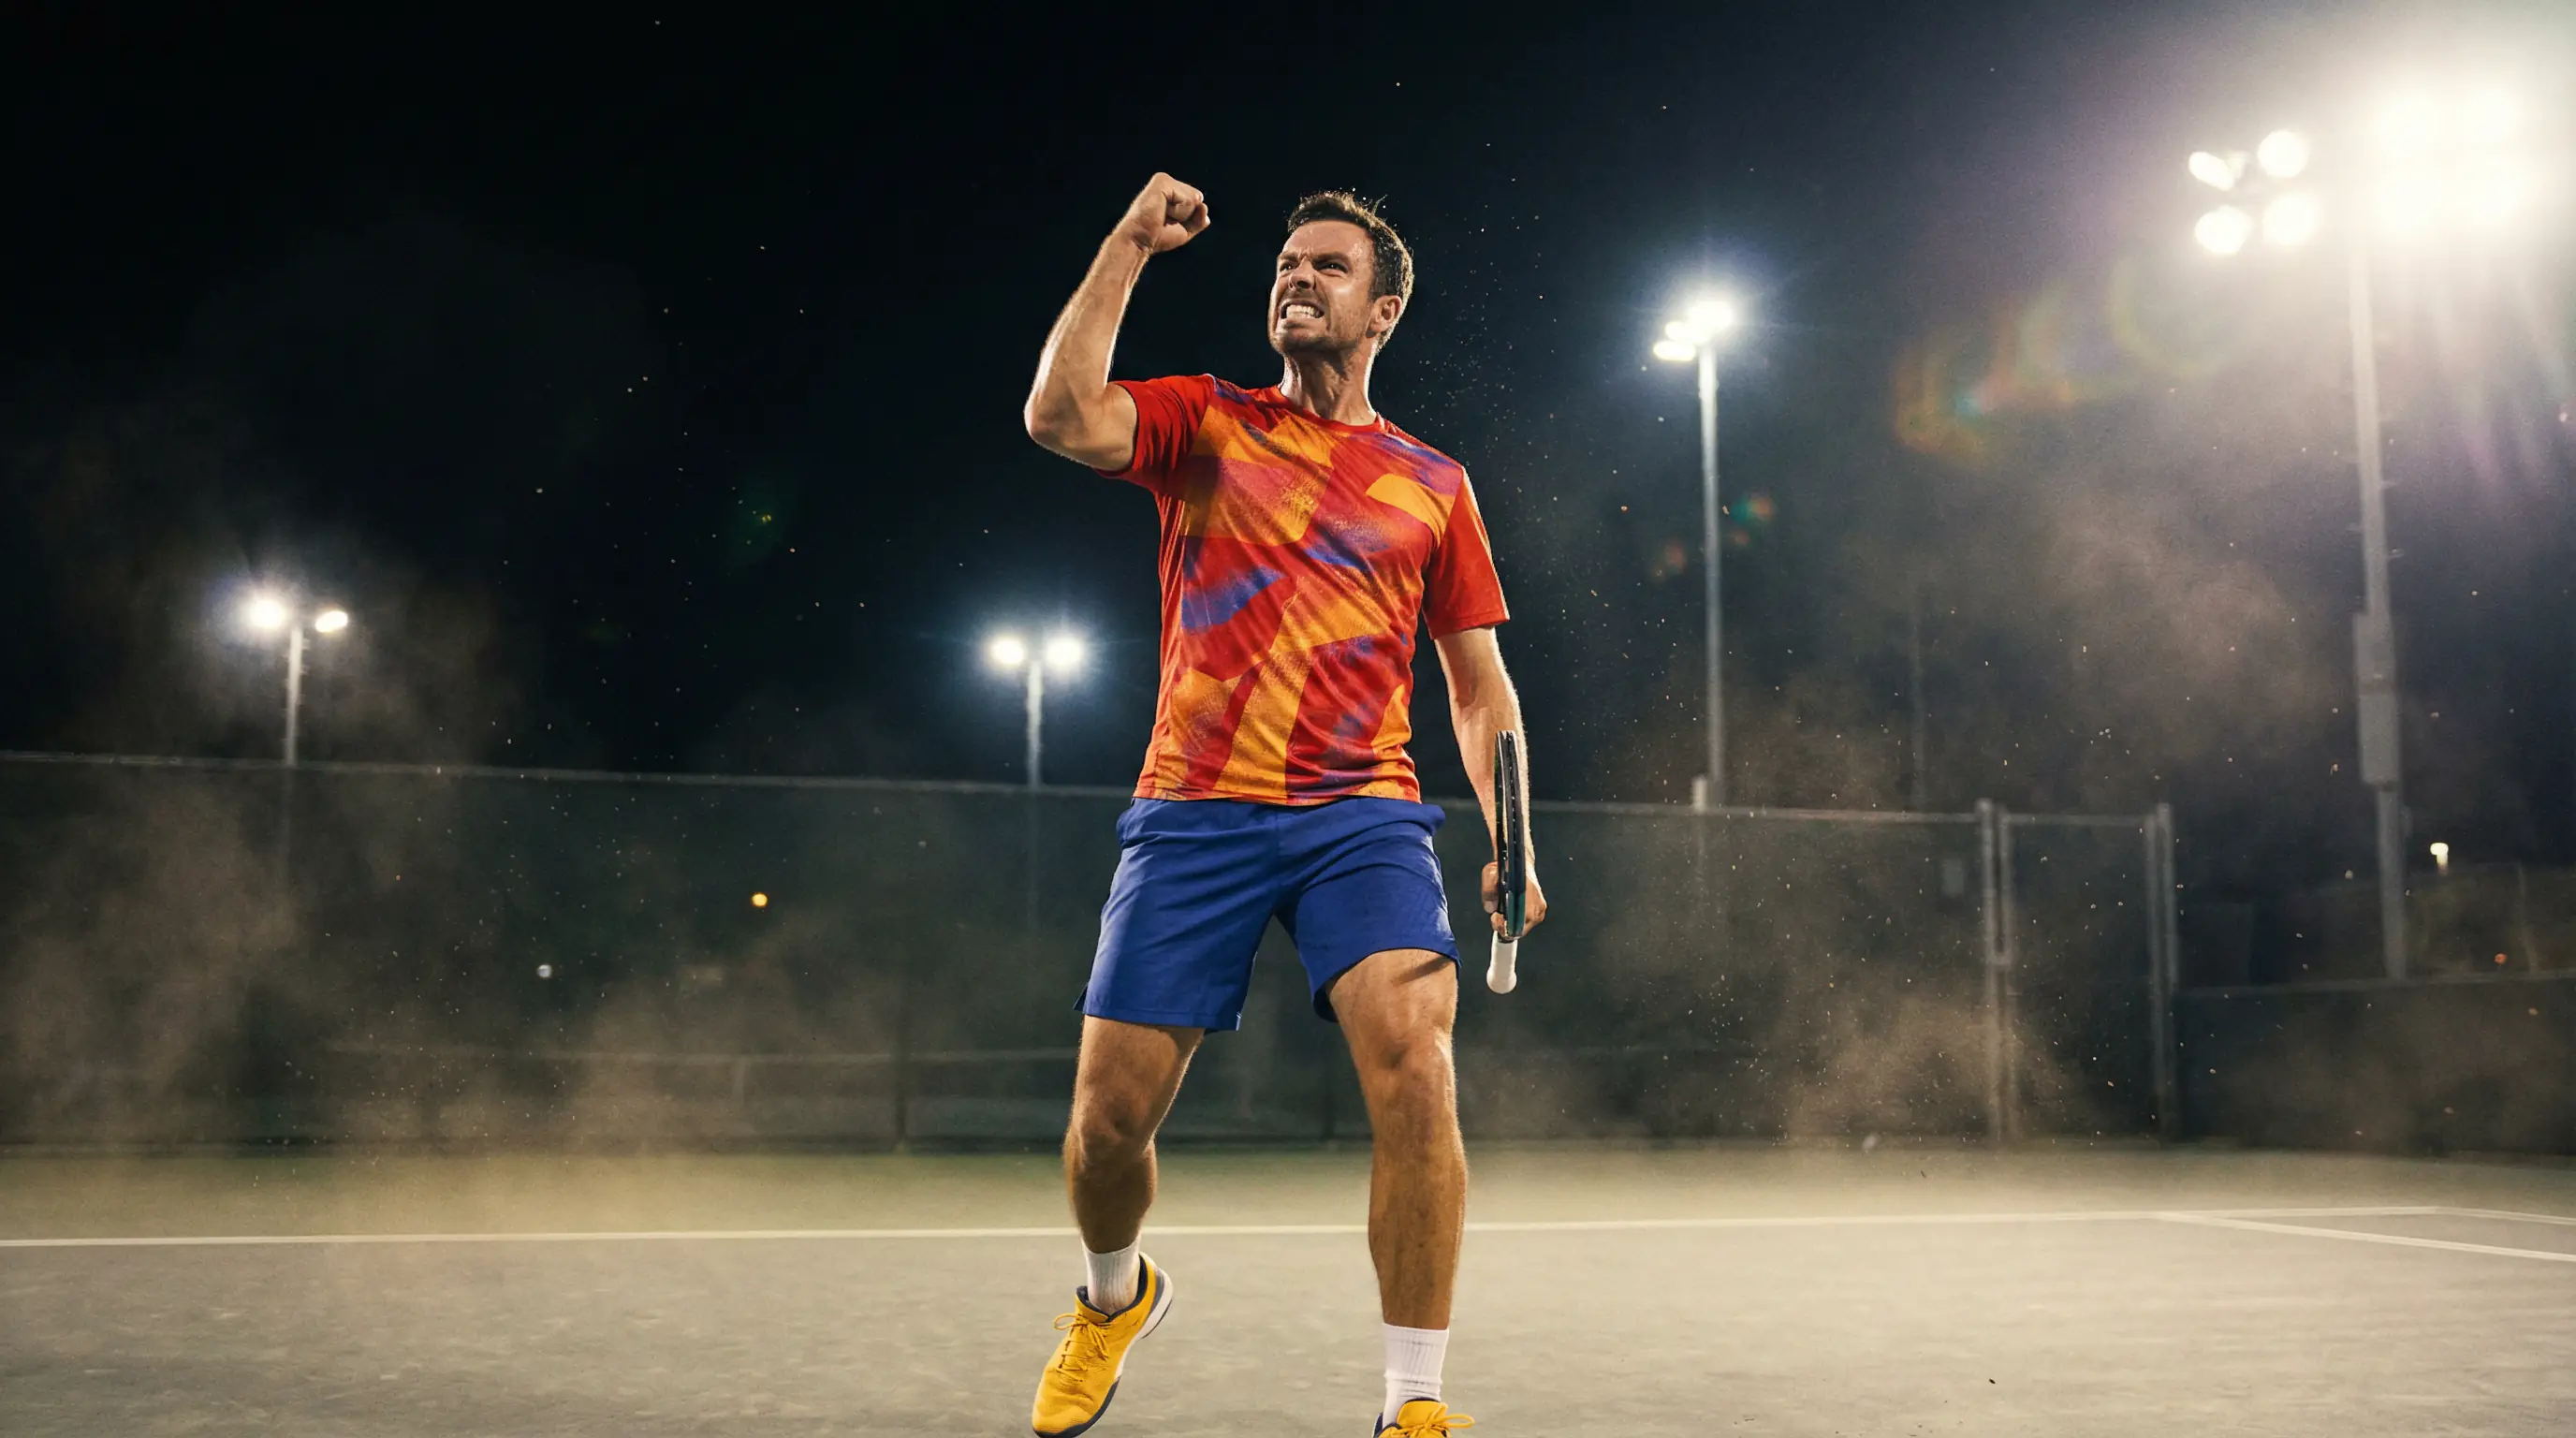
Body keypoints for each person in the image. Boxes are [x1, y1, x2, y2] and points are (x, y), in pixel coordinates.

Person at [1019, 173, 1546, 1438]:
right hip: (1193, 810)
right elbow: (1056, 415)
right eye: (1284, 267)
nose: (1295, 278)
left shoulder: (1433, 485)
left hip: (1360, 816)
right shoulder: (1205, 421)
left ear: (1385, 311)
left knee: (1419, 1068)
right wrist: (1130, 240)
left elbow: (1477, 691)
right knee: (1105, 1129)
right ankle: (1111, 1298)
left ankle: (1413, 1403)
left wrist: (1513, 839)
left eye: (1328, 267)